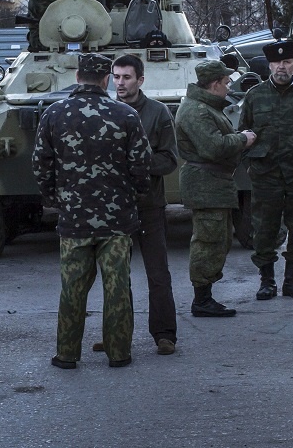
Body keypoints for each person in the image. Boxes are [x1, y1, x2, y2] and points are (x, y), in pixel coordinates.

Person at [33, 53, 151, 369]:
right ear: (106, 79)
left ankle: (67, 354)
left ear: (77, 77)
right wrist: (132, 196)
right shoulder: (125, 115)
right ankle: (119, 353)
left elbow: (41, 165)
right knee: (117, 289)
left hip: (73, 220)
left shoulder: (54, 114)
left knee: (72, 288)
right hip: (116, 220)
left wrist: (55, 199)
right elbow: (141, 165)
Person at [96, 53, 179, 356]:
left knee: (157, 273)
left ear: (140, 80)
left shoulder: (158, 113)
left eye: (126, 77)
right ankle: (117, 334)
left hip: (148, 205)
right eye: (116, 77)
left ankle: (165, 334)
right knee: (116, 275)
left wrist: (136, 163)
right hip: (114, 208)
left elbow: (170, 159)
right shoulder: (104, 111)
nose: (120, 83)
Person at [239, 39, 293, 301]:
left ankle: (292, 280)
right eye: (276, 62)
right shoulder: (254, 96)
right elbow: (243, 133)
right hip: (266, 174)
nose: (281, 67)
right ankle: (266, 280)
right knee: (264, 227)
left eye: (286, 62)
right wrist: (250, 163)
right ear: (269, 65)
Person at [176, 59, 256, 318]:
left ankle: (205, 296)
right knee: (208, 240)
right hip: (205, 183)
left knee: (218, 239)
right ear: (214, 84)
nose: (228, 85)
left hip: (214, 183)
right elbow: (213, 147)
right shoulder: (196, 111)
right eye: (225, 81)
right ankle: (201, 300)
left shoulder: (206, 107)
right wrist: (243, 139)